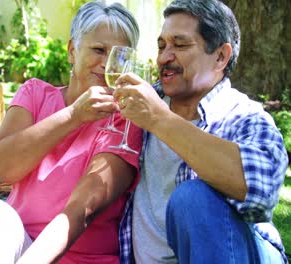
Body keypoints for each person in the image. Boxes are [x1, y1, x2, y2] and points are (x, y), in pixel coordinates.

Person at [0, 2, 143, 263]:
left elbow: (84, 209)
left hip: (80, 258)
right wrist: (73, 116)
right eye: (99, 50)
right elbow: (2, 168)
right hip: (16, 244)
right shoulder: (35, 94)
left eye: (119, 55)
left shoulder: (125, 120)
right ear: (72, 51)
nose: (107, 64)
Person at [114, 0, 289, 263]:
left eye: (181, 45)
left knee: (192, 199)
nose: (164, 57)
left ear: (220, 56)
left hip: (236, 254)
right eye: (162, 46)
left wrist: (159, 120)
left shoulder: (245, 116)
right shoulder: (140, 103)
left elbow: (260, 191)